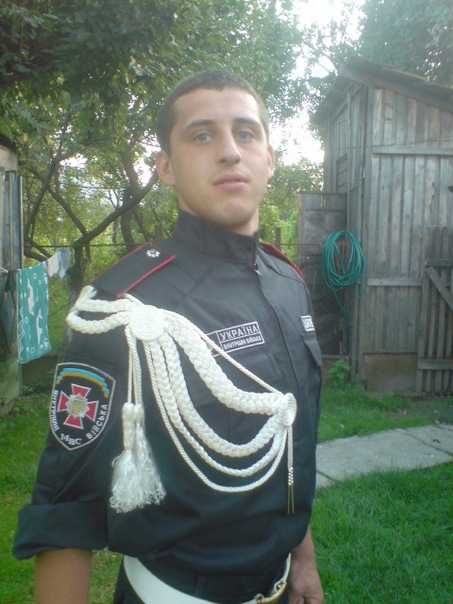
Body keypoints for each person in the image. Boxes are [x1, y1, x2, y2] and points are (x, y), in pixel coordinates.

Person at [13, 70, 324, 604]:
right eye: (202, 135)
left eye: (246, 133)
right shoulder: (125, 308)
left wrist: (304, 560)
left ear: (270, 158)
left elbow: (287, 440)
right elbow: (66, 507)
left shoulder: (288, 282)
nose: (230, 151)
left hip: (280, 582)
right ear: (166, 168)